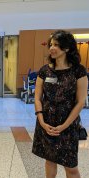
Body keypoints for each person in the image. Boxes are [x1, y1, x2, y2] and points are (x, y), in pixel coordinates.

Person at [32, 30, 88, 178]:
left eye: (56, 45)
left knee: (71, 167)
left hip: (68, 125)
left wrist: (64, 126)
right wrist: (42, 122)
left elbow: (81, 101)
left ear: (67, 48)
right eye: (51, 44)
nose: (51, 48)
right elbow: (37, 98)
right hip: (46, 123)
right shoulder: (45, 71)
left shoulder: (78, 71)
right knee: (50, 162)